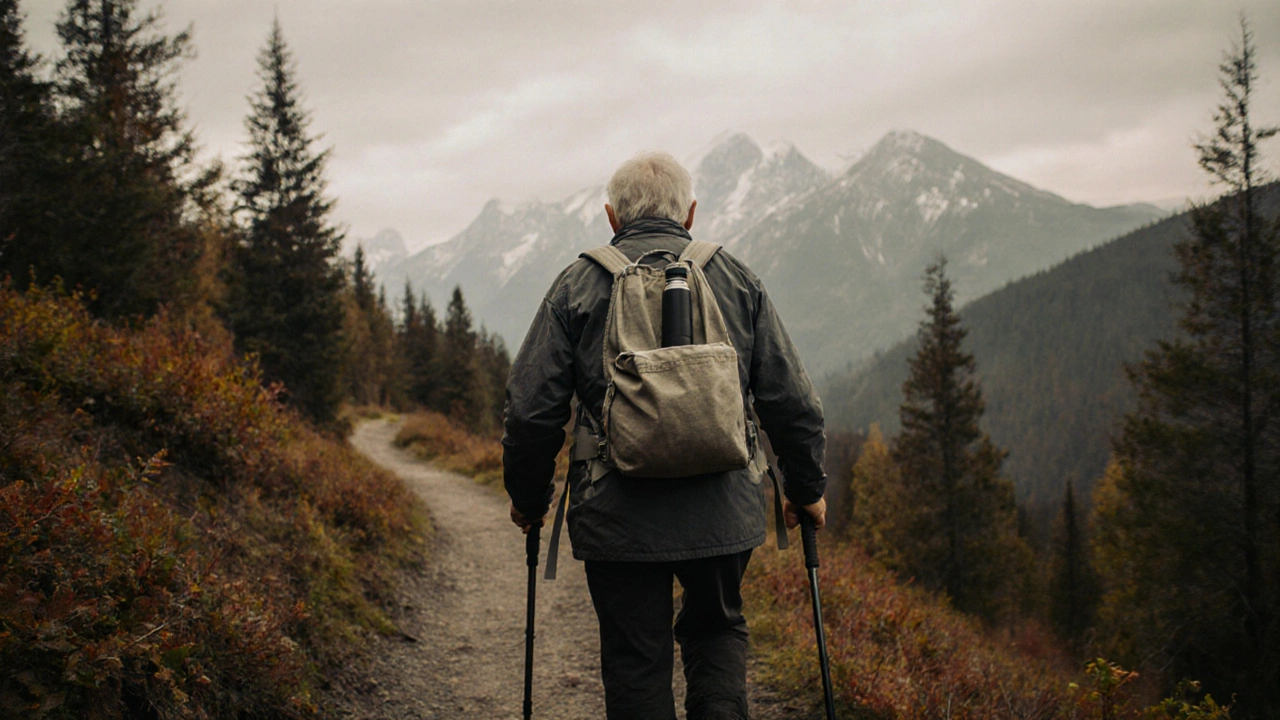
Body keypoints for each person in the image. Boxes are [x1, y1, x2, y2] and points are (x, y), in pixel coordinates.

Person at [503, 151, 827, 720]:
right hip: (722, 509)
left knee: (635, 658)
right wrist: (806, 489)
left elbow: (531, 412)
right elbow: (792, 401)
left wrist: (530, 502)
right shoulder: (735, 278)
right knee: (717, 630)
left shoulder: (577, 285)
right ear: (690, 213)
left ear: (612, 217)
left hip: (617, 515)